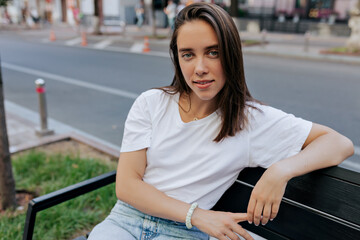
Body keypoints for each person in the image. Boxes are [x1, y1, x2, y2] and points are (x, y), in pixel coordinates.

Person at [88, 3, 354, 240]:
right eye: (188, 54)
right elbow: (127, 185)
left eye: (213, 52)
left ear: (231, 54)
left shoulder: (250, 120)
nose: (200, 67)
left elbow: (338, 143)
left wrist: (280, 171)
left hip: (182, 233)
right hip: (126, 220)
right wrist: (199, 216)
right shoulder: (151, 103)